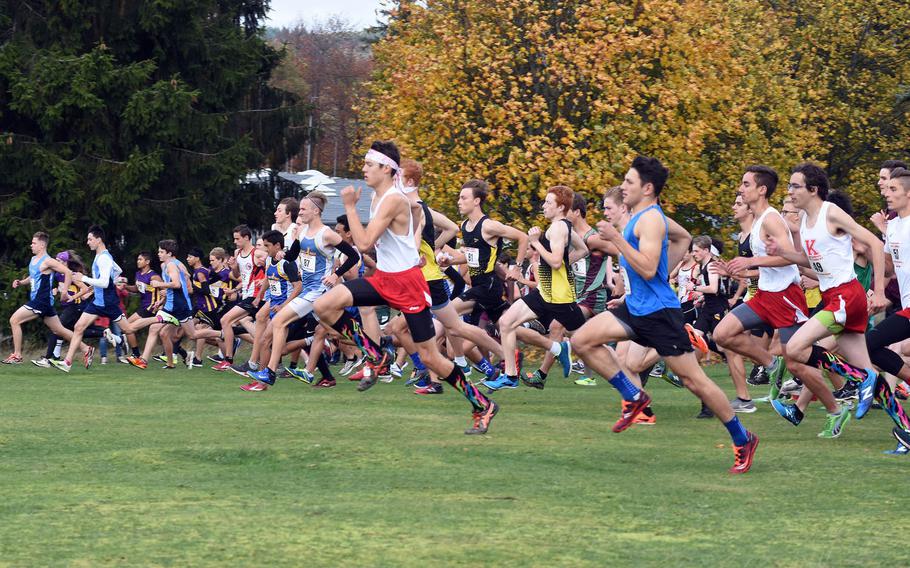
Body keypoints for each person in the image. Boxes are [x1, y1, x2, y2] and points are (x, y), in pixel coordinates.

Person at [570, 156, 759, 473]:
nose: (623, 186)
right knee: (582, 340)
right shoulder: (641, 216)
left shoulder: (652, 221)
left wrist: (617, 241)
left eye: (629, 182)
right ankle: (633, 396)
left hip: (660, 313)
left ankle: (743, 438)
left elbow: (645, 267)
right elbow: (683, 237)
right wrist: (657, 276)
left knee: (693, 380)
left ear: (646, 187)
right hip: (636, 307)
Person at [314, 140, 499, 435]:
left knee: (430, 357)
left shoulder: (391, 199)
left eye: (369, 165)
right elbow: (407, 217)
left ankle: (481, 404)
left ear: (386, 169)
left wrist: (350, 207)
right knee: (323, 306)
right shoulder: (382, 197)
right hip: (385, 279)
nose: (363, 169)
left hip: (408, 284)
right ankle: (376, 355)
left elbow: (364, 244)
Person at [765, 163, 886, 437]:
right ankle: (904, 424)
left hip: (845, 296)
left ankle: (858, 379)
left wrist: (878, 292)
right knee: (870, 373)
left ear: (813, 189)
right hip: (834, 296)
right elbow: (811, 261)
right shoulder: (807, 223)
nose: (790, 191)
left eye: (795, 186)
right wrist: (784, 252)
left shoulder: (830, 212)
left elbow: (875, 245)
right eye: (789, 186)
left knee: (794, 348)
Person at [494, 186, 588, 389]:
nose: (543, 206)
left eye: (548, 202)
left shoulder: (558, 228)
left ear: (561, 207)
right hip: (545, 293)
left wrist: (535, 243)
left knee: (588, 341)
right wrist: (563, 263)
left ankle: (625, 365)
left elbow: (554, 262)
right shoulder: (564, 227)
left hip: (560, 298)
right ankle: (510, 376)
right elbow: (582, 250)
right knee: (506, 322)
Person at [50, 226, 141, 372]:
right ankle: (67, 362)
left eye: (90, 239)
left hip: (108, 302)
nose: (88, 242)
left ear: (99, 240)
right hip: (97, 302)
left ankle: (159, 319)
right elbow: (117, 270)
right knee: (78, 327)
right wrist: (114, 279)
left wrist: (83, 278)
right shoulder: (101, 256)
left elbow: (104, 283)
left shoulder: (104, 258)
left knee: (128, 329)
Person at [4, 232, 89, 364]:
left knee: (14, 320)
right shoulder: (33, 260)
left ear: (42, 245)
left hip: (41, 301)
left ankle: (17, 355)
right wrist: (21, 282)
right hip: (43, 302)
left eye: (34, 243)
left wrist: (65, 292)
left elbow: (67, 272)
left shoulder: (48, 261)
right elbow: (33, 276)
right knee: (59, 330)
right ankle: (86, 348)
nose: (31, 245)